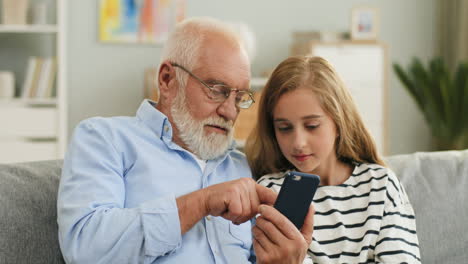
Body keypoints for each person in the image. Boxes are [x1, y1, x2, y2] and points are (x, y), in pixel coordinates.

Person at [57, 17, 313, 263]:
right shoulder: (105, 139)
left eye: (239, 98)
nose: (230, 111)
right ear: (167, 80)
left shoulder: (241, 165)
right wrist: (202, 202)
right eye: (216, 90)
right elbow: (85, 248)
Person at [245, 56, 421, 263]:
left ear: (339, 122)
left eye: (311, 126)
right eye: (284, 128)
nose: (298, 142)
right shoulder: (271, 192)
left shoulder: (380, 184)